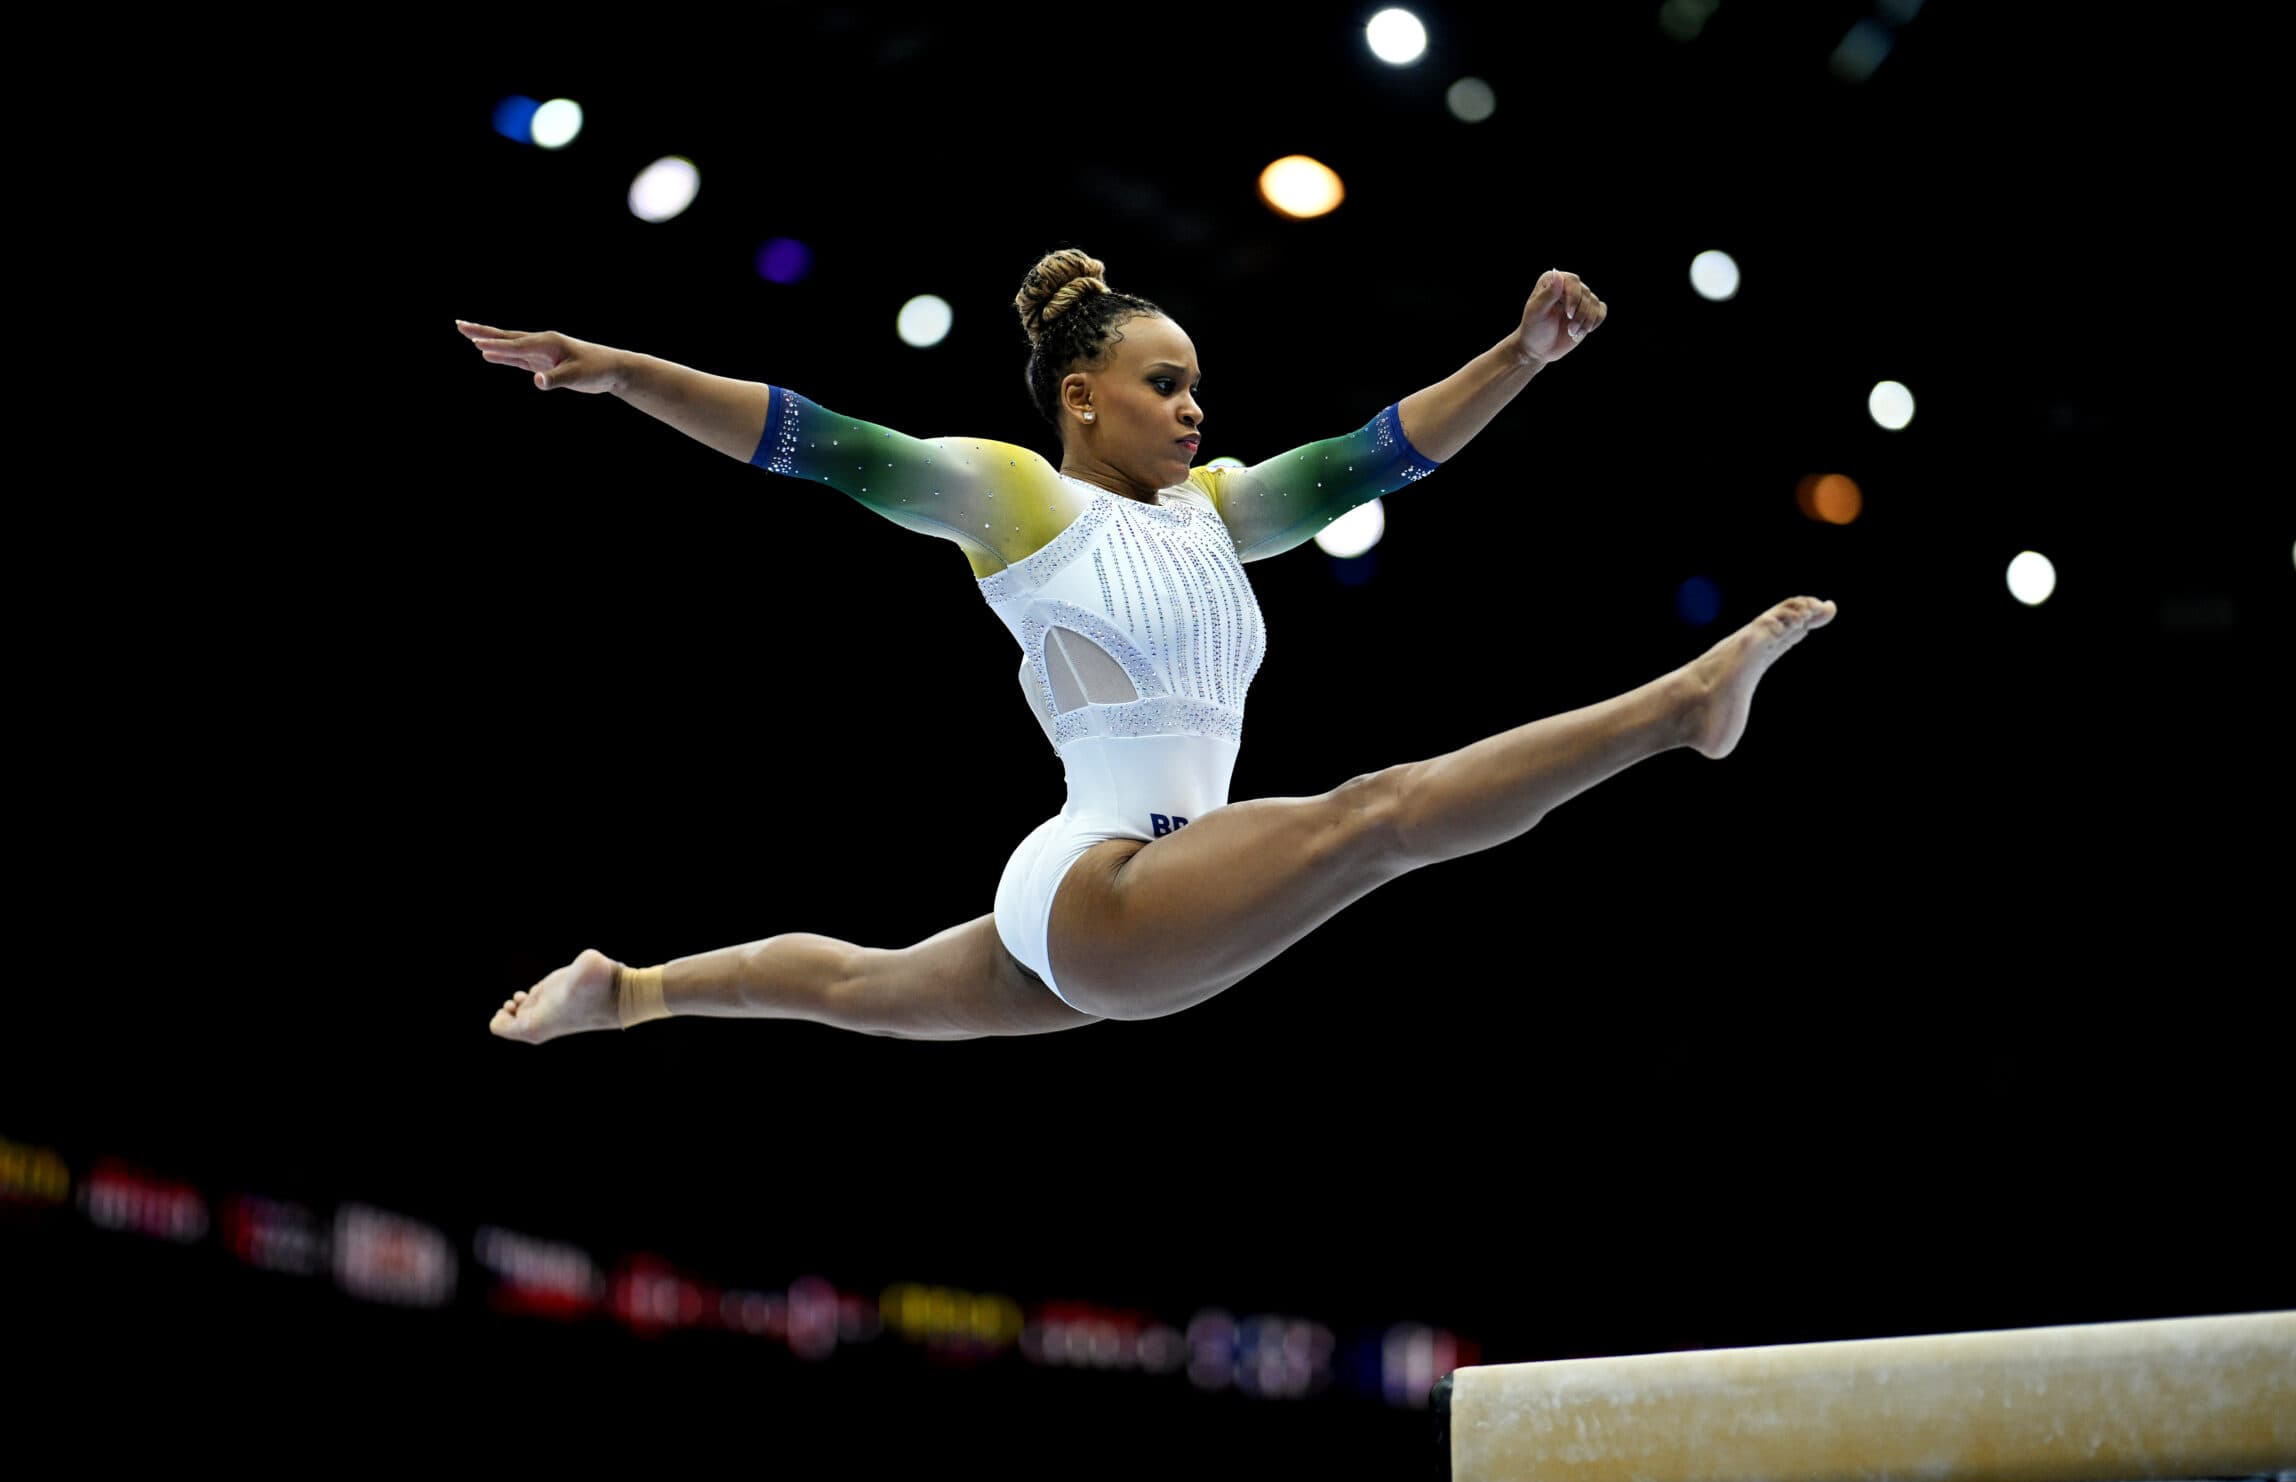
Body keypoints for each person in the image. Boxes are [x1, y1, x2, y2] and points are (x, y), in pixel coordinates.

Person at [464, 248, 1834, 1043]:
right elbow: (814, 442)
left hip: (1131, 901)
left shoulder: (1218, 512)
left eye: (1196, 387)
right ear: (1081, 397)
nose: (1193, 409)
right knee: (1378, 818)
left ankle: (626, 993)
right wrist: (626, 372)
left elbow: (1376, 456)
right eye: (1165, 384)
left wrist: (1519, 356)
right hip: (1104, 884)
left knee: (861, 985)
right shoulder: (1017, 499)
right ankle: (1679, 708)